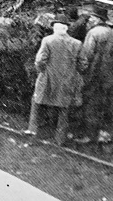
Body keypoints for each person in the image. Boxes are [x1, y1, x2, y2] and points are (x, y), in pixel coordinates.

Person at [26, 16, 82, 145]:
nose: (56, 29)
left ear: (63, 28)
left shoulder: (48, 40)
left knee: (37, 102)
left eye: (57, 27)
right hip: (67, 80)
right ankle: (60, 139)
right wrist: (73, 72)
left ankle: (33, 131)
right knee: (64, 108)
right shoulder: (76, 43)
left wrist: (42, 71)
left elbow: (40, 61)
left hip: (48, 79)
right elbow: (82, 63)